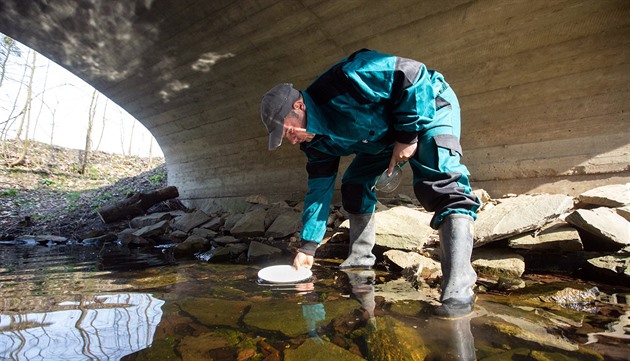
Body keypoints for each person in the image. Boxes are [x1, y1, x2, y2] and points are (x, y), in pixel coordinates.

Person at [259, 49, 481, 317]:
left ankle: (457, 293)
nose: (292, 141)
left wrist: (408, 136)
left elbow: (413, 75)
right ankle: (360, 262)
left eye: (289, 132)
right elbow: (319, 193)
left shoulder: (348, 78)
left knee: (441, 183)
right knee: (353, 183)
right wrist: (308, 247)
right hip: (382, 138)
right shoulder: (315, 144)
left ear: (299, 106)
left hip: (429, 105)